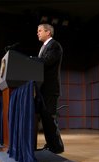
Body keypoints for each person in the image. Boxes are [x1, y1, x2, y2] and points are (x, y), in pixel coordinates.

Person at [33, 24, 64, 154]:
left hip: (50, 89)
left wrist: (31, 61)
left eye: (40, 30)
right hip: (43, 89)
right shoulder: (44, 46)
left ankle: (57, 147)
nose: (37, 33)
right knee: (45, 119)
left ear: (48, 32)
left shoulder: (54, 46)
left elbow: (47, 61)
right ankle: (50, 144)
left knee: (50, 119)